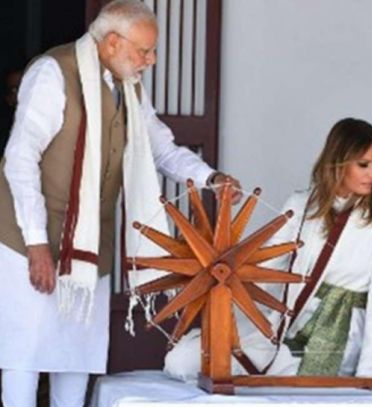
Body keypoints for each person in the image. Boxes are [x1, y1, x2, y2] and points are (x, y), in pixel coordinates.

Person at [0, 1, 240, 406]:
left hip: (90, 245)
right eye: (144, 50)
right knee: (25, 351)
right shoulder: (53, 73)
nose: (152, 60)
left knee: (75, 354)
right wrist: (37, 243)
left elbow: (162, 148)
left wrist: (209, 178)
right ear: (112, 42)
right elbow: (20, 160)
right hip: (27, 239)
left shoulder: (128, 87)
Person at [165, 117, 372, 379]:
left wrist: (369, 374)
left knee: (287, 382)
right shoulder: (300, 204)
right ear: (338, 162)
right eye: (364, 165)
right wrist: (215, 276)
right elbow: (263, 268)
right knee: (180, 361)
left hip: (335, 333)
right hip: (283, 323)